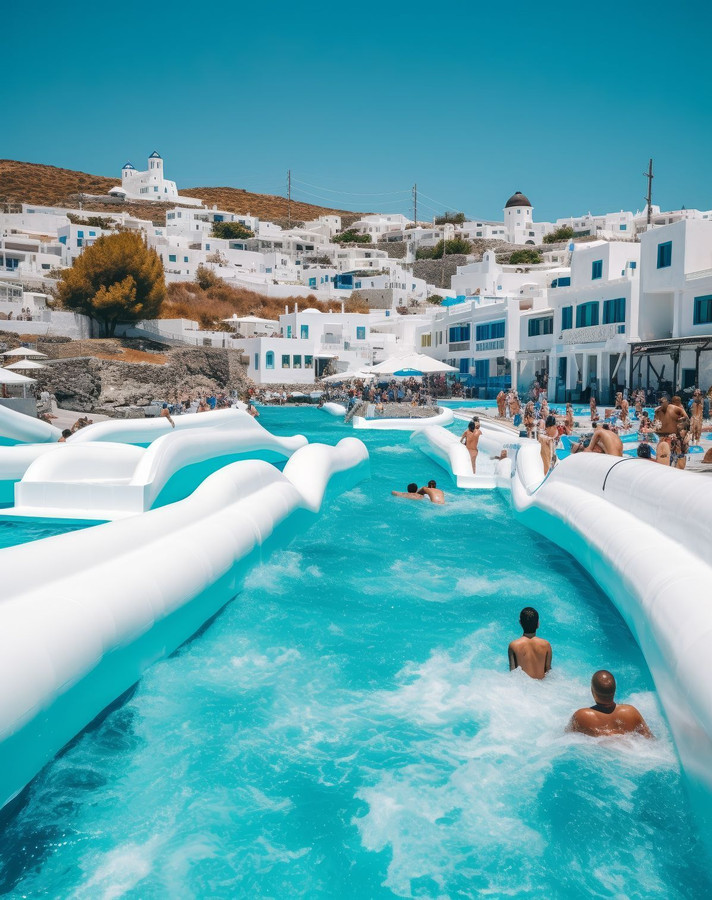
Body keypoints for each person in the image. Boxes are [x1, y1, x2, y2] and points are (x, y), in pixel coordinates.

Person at [567, 670, 652, 737]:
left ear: (593, 691)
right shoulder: (631, 712)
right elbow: (650, 740)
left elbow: (566, 739)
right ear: (615, 691)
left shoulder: (581, 716)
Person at [508, 607, 552, 680]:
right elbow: (548, 672)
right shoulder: (546, 645)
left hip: (524, 687)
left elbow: (512, 673)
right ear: (538, 624)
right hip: (542, 688)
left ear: (520, 623)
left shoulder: (513, 645)